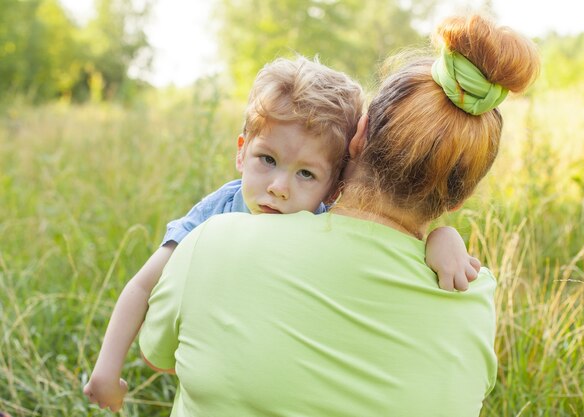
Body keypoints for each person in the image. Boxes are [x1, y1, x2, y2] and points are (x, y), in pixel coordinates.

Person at [138, 13, 540, 417]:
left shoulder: (211, 241)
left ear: (359, 135)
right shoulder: (469, 298)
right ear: (459, 199)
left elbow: (159, 358)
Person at [84, 56, 480, 411]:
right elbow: (141, 287)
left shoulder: (331, 216)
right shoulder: (217, 211)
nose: (278, 187)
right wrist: (106, 368)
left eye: (306, 173)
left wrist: (443, 239)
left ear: (334, 183)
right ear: (241, 151)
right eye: (267, 160)